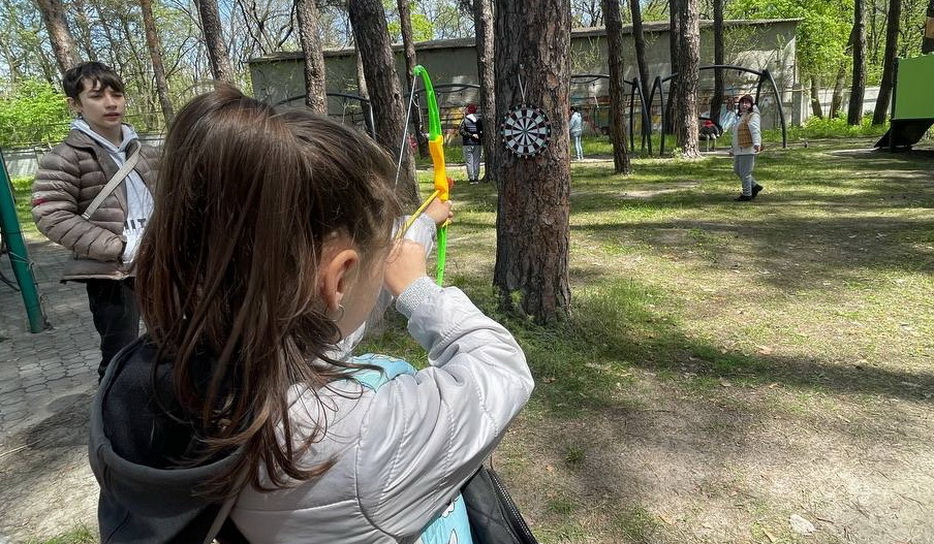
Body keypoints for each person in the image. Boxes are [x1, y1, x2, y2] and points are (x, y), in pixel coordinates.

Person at [88, 86, 534, 544]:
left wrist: (416, 227)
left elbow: (322, 330)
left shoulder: (169, 376)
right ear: (337, 280)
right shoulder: (356, 441)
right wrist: (418, 289)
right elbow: (500, 369)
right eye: (377, 258)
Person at [31, 61, 160, 381]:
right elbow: (51, 215)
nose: (111, 103)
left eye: (117, 94)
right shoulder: (65, 157)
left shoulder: (147, 153)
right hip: (110, 273)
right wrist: (119, 247)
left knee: (171, 341)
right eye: (97, 96)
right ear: (75, 104)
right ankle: (114, 408)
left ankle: (166, 402)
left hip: (158, 263)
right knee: (120, 354)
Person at [729, 94, 763, 201]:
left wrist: (757, 143)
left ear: (751, 105)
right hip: (739, 150)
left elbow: (755, 130)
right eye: (742, 103)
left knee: (745, 173)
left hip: (748, 149)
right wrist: (732, 149)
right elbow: (736, 135)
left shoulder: (753, 116)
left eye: (747, 103)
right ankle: (755, 186)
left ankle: (747, 194)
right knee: (737, 170)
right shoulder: (741, 117)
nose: (744, 105)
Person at [459, 104, 483, 184]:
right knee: (476, 161)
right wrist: (478, 135)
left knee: (469, 161)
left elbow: (461, 131)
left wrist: (470, 135)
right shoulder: (479, 120)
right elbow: (482, 131)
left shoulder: (465, 120)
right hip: (477, 143)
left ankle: (471, 178)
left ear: (468, 110)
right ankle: (476, 178)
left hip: (467, 143)